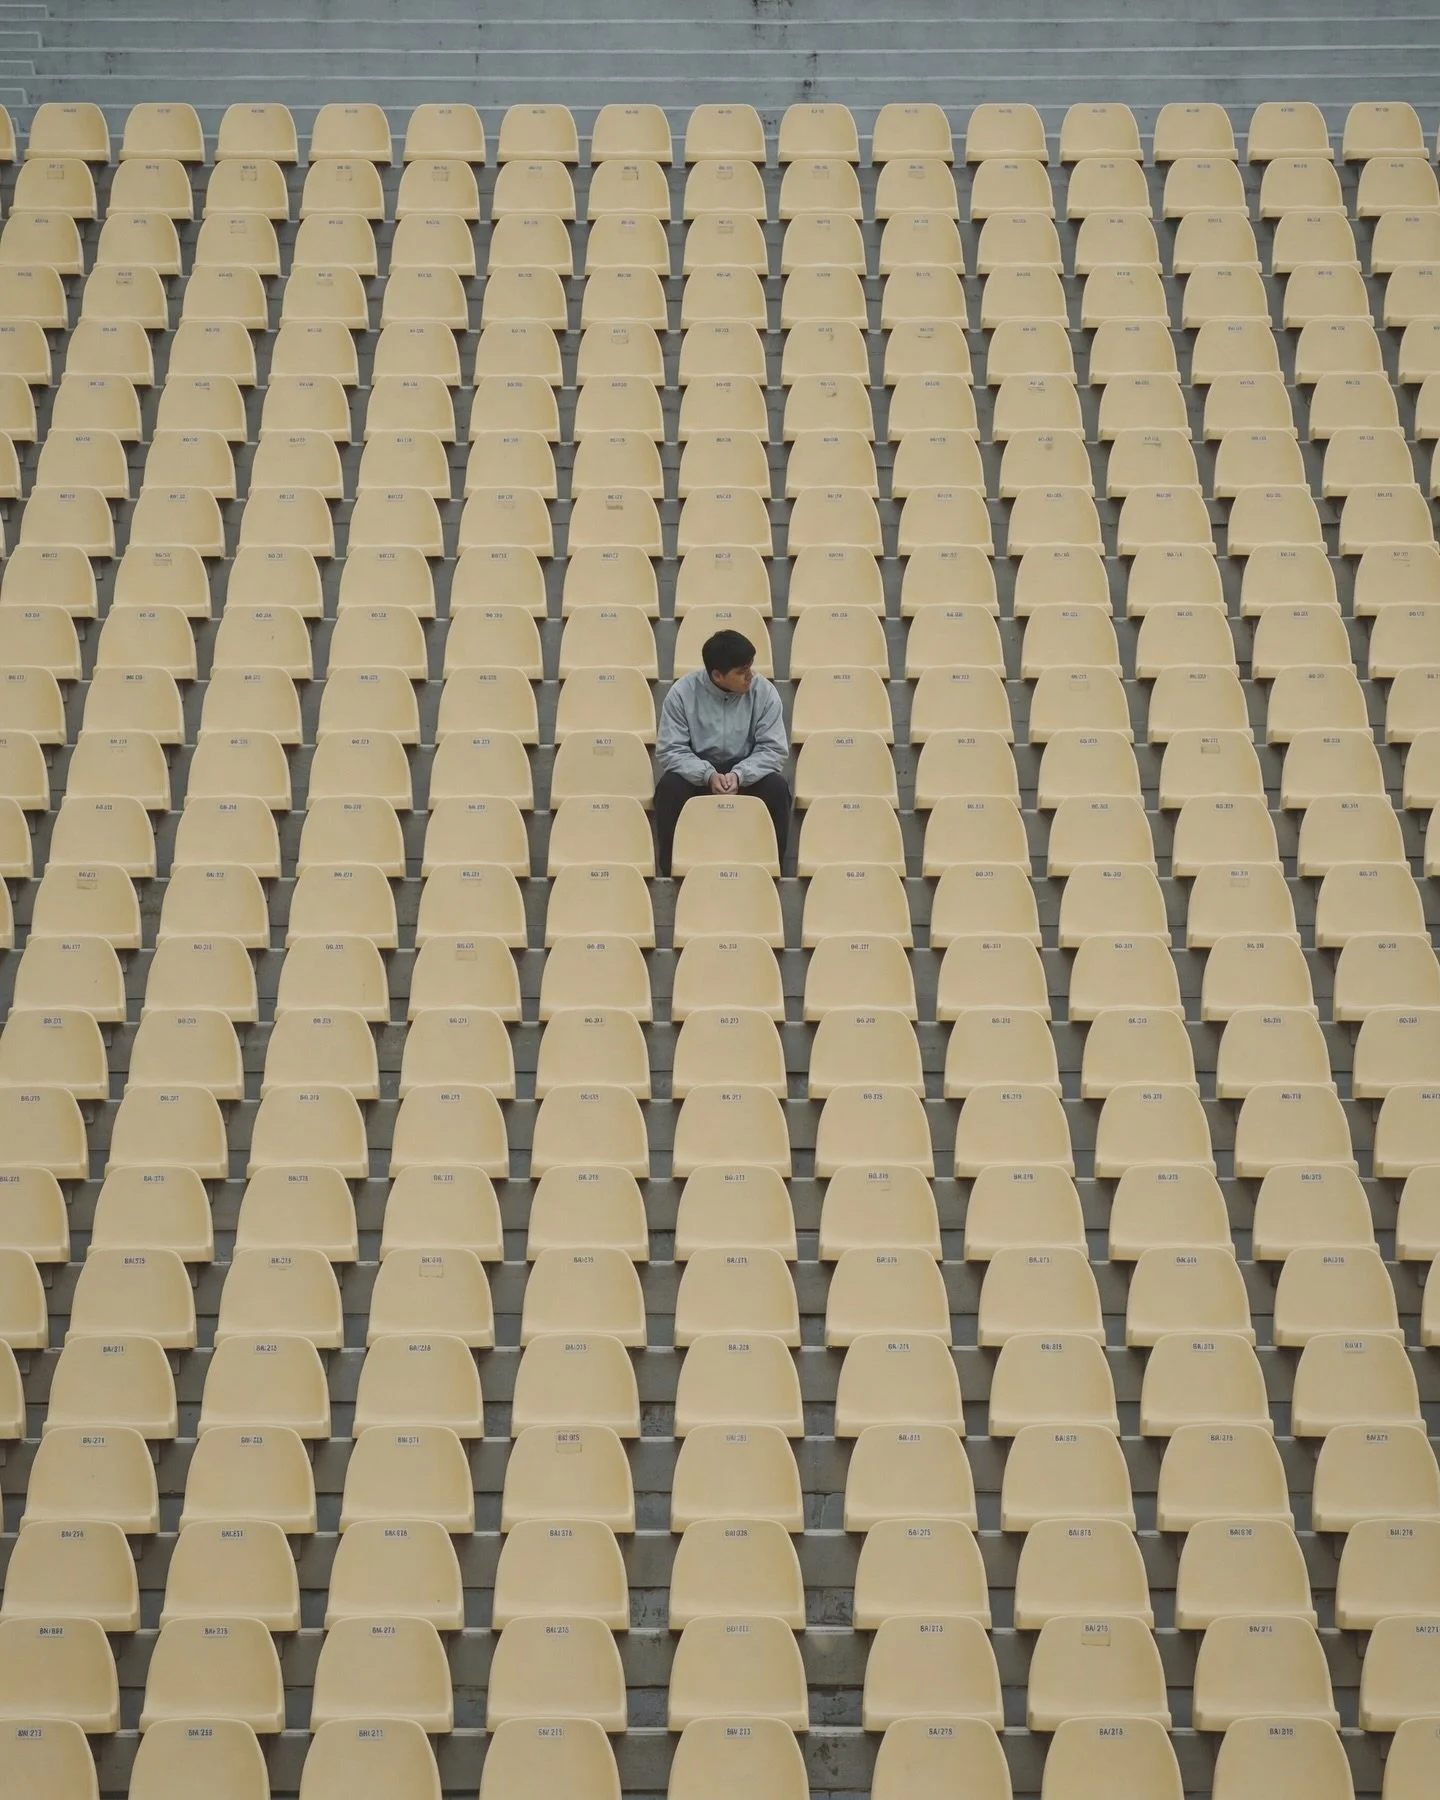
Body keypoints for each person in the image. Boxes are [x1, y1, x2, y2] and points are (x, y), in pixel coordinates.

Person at [654, 628, 791, 876]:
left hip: (747, 771)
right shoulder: (682, 693)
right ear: (717, 675)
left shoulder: (765, 692)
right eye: (741, 672)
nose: (750, 676)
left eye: (750, 667)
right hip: (698, 772)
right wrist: (707, 774)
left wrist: (740, 775)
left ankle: (774, 870)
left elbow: (774, 749)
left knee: (777, 788)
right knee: (669, 788)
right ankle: (669, 872)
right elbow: (671, 749)